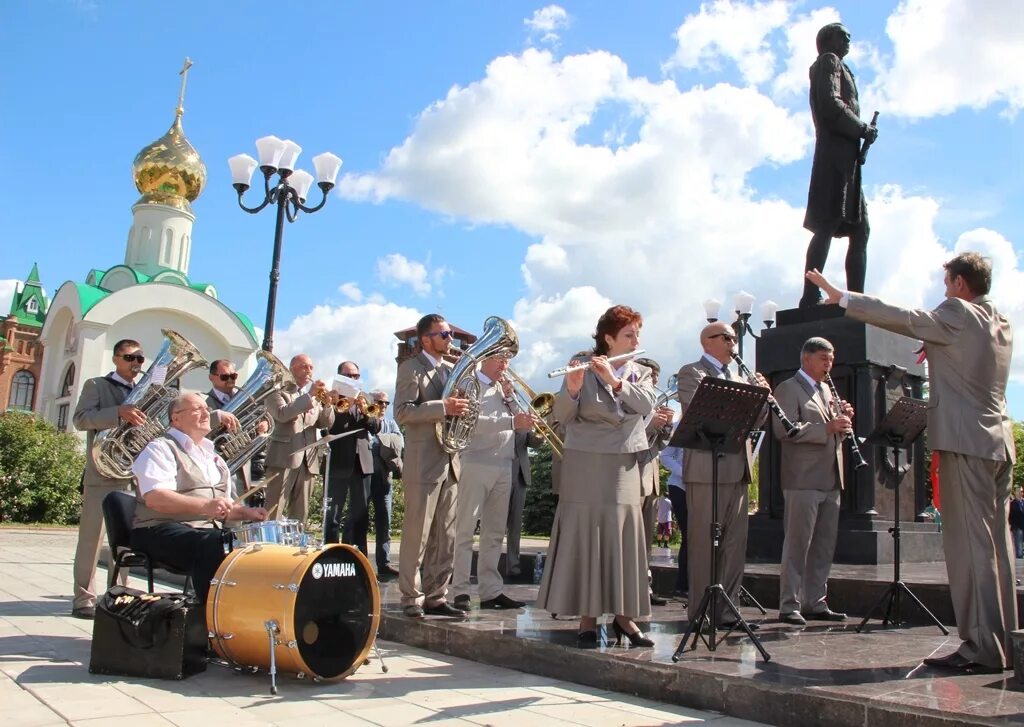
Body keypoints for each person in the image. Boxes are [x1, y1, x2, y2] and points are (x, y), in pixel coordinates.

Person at [807, 251, 1015, 673]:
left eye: (946, 282)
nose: (943, 290)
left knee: (969, 548)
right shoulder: (999, 322)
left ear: (959, 284)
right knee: (998, 548)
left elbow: (902, 316)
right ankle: (1006, 640)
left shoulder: (955, 312)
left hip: (964, 443)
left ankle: (981, 648)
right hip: (998, 442)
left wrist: (843, 297)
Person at [536, 305, 656, 647]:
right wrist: (572, 390)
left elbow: (645, 405)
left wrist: (614, 381)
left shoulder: (640, 371)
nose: (636, 340)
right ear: (608, 338)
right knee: (587, 533)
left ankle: (624, 617)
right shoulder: (581, 363)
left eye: (636, 334)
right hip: (585, 460)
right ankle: (587, 619)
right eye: (628, 335)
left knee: (622, 534)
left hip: (623, 463)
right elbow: (562, 416)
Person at [131, 393, 267, 606]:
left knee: (255, 546)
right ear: (176, 418)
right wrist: (205, 506)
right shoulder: (160, 448)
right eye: (198, 409)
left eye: (206, 408)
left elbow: (223, 507)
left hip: (203, 532)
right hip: (159, 528)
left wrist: (247, 513)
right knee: (216, 544)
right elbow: (156, 499)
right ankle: (208, 620)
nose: (207, 413)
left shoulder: (214, 457)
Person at [676, 322, 768, 630]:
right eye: (726, 338)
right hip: (706, 469)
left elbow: (753, 421)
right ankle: (701, 612)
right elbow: (702, 411)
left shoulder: (741, 376)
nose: (733, 343)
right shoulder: (692, 372)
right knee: (704, 544)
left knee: (734, 544)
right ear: (707, 342)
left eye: (734, 338)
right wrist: (745, 395)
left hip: (737, 469)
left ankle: (728, 612)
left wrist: (761, 398)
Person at [772, 337, 853, 625]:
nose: (828, 364)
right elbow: (785, 429)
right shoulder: (789, 388)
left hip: (830, 477)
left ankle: (815, 601)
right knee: (797, 544)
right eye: (823, 359)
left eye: (831, 359)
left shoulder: (826, 389)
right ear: (806, 359)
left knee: (823, 545)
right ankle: (788, 604)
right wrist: (827, 427)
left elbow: (832, 433)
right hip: (802, 479)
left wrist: (842, 423)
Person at [394, 314, 469, 618]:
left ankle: (437, 595)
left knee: (445, 535)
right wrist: (444, 407)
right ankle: (411, 597)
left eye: (450, 334)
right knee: (418, 534)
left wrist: (462, 408)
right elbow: (402, 412)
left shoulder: (452, 370)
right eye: (444, 335)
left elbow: (463, 413)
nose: (450, 339)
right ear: (426, 339)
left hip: (450, 461)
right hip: (423, 462)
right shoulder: (411, 368)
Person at [799, 22, 879, 308]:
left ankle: (856, 299)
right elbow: (830, 104)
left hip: (848, 158)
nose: (849, 41)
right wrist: (861, 128)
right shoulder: (828, 62)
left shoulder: (842, 68)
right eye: (844, 36)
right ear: (828, 40)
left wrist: (861, 133)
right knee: (828, 221)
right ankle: (810, 294)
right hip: (834, 155)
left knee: (860, 229)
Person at [69, 339, 147, 619]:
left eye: (140, 358)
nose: (136, 363)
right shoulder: (96, 385)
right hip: (102, 475)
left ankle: (119, 595)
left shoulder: (144, 390)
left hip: (130, 475)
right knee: (91, 540)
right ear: (116, 359)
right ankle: (83, 599)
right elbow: (80, 419)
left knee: (124, 543)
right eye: (130, 357)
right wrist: (118, 412)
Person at [451, 355, 534, 610]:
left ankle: (491, 591)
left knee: (495, 532)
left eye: (507, 361)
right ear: (485, 359)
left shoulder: (503, 388)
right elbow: (470, 423)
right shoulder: (469, 385)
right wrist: (510, 421)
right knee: (466, 530)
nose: (504, 366)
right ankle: (460, 590)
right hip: (475, 461)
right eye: (499, 359)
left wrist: (511, 400)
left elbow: (521, 425)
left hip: (504, 463)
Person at [263, 354, 334, 523]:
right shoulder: (278, 391)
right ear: (292, 369)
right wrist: (309, 396)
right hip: (283, 458)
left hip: (308, 461)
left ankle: (295, 547)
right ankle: (271, 546)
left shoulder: (316, 398)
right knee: (274, 510)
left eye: (311, 367)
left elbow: (325, 423)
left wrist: (329, 405)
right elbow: (282, 414)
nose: (309, 371)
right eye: (304, 366)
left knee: (301, 513)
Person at [324, 360, 380, 552]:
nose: (353, 379)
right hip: (339, 461)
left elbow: (376, 426)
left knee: (360, 513)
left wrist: (365, 412)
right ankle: (330, 553)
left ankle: (358, 555)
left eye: (356, 376)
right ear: (340, 377)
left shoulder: (365, 397)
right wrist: (343, 406)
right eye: (349, 376)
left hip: (362, 462)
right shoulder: (332, 398)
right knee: (333, 514)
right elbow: (328, 426)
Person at [634, 356, 675, 606]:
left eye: (656, 379)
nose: (655, 383)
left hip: (650, 476)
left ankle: (644, 589)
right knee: (630, 537)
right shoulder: (630, 402)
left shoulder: (654, 404)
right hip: (631, 473)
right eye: (651, 378)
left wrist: (666, 426)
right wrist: (650, 426)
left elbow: (660, 444)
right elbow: (627, 437)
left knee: (646, 540)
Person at [367, 390, 402, 578]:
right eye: (380, 402)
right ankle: (360, 561)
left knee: (384, 523)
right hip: (363, 477)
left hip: (383, 478)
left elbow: (399, 443)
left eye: (386, 403)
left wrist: (379, 441)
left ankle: (384, 563)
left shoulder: (391, 423)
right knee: (357, 521)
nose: (383, 407)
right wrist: (385, 443)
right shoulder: (364, 421)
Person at [204, 359, 251, 500]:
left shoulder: (244, 400)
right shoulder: (203, 401)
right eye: (224, 377)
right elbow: (195, 427)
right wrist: (217, 416)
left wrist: (261, 426)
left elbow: (248, 429)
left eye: (233, 376)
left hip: (242, 464)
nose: (230, 380)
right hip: (216, 462)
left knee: (240, 508)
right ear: (211, 378)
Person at [505, 413, 543, 578]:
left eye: (511, 386)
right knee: (495, 524)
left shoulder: (521, 412)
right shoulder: (496, 408)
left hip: (520, 476)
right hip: (501, 472)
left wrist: (540, 430)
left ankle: (513, 567)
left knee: (515, 525)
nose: (510, 388)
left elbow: (534, 443)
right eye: (506, 384)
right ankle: (489, 567)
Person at [661, 439, 688, 596]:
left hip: (703, 487)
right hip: (680, 486)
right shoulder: (679, 426)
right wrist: (685, 472)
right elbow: (665, 456)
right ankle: (683, 585)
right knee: (689, 534)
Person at [1010, 489, 1024, 559]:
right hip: (1017, 527)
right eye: (1019, 491)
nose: (1021, 493)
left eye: (1022, 491)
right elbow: (1010, 516)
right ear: (1015, 493)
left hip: (1023, 525)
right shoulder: (1012, 504)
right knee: (1019, 547)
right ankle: (1019, 559)